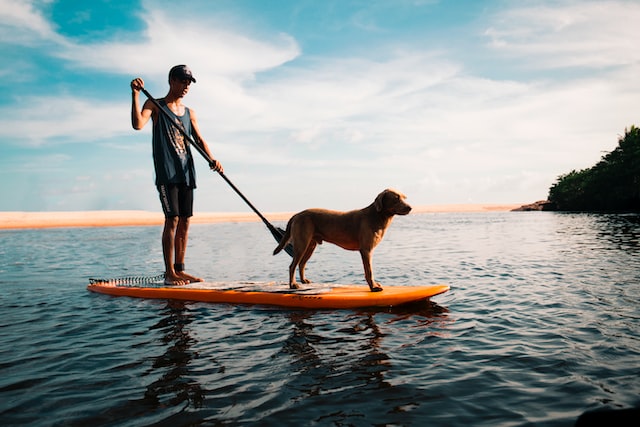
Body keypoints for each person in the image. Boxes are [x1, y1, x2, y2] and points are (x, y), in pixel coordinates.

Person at [130, 65, 223, 286]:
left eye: (189, 83)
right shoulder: (155, 105)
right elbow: (137, 124)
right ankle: (169, 272)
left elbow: (199, 139)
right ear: (172, 80)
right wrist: (135, 95)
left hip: (187, 172)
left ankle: (181, 270)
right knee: (171, 219)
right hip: (167, 173)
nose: (186, 87)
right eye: (183, 81)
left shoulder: (190, 113)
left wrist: (212, 159)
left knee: (185, 221)